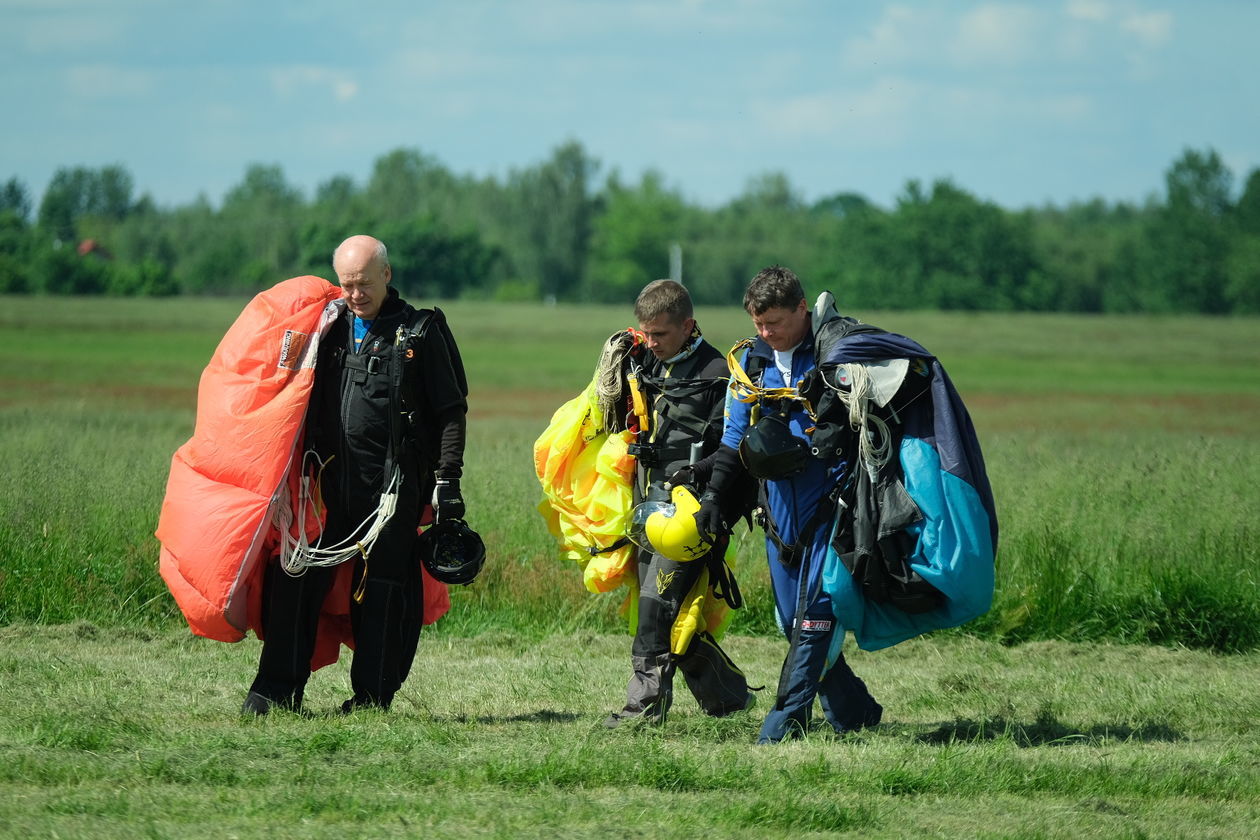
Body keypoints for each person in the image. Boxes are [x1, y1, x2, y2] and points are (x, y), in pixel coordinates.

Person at [242, 234, 469, 714]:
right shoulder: (325, 328)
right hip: (325, 484)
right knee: (296, 579)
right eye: (347, 284)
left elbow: (451, 412)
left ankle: (371, 698)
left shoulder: (420, 334)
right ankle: (275, 691)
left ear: (387, 275)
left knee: (383, 593)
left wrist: (448, 482)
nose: (356, 294)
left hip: (393, 488)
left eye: (365, 283)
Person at [694, 265, 882, 743]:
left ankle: (783, 724)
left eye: (775, 322)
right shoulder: (752, 364)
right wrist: (715, 495)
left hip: (831, 506)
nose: (766, 333)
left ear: (802, 309)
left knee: (814, 616)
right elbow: (735, 434)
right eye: (759, 324)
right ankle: (853, 710)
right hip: (777, 513)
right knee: (788, 621)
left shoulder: (835, 356)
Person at [604, 279, 753, 727]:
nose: (651, 343)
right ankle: (729, 699)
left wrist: (704, 485)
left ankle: (642, 709)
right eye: (645, 333)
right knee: (671, 614)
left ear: (688, 326)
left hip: (694, 513)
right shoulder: (647, 362)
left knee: (657, 607)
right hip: (649, 505)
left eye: (661, 334)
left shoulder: (718, 375)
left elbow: (733, 447)